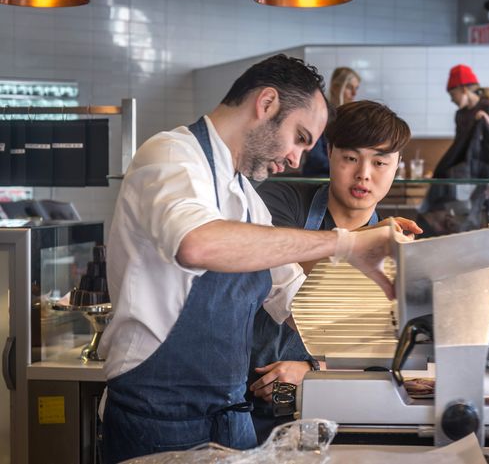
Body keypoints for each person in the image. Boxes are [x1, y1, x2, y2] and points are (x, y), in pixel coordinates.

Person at [98, 55, 405, 464]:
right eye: (299, 136)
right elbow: (198, 244)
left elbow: (294, 297)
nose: (297, 159)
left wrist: (399, 336)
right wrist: (345, 244)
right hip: (158, 415)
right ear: (266, 104)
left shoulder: (246, 198)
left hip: (229, 413)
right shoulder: (171, 156)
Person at [249, 100, 421, 442]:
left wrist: (313, 372)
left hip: (344, 414)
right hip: (254, 407)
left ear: (397, 166)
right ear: (329, 153)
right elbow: (273, 259)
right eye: (351, 158)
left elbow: (382, 350)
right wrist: (363, 240)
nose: (364, 174)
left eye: (380, 162)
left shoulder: (396, 242)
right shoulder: (280, 200)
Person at [422, 64, 489, 231]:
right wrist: (444, 169)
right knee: (472, 212)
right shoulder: (460, 115)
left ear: (463, 90)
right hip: (472, 171)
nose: (451, 99)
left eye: (452, 94)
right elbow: (459, 146)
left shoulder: (488, 106)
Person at [301, 67, 361, 177]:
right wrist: (346, 167)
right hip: (318, 178)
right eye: (349, 87)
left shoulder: (351, 118)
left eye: (356, 88)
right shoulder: (319, 114)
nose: (354, 93)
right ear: (335, 87)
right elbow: (315, 157)